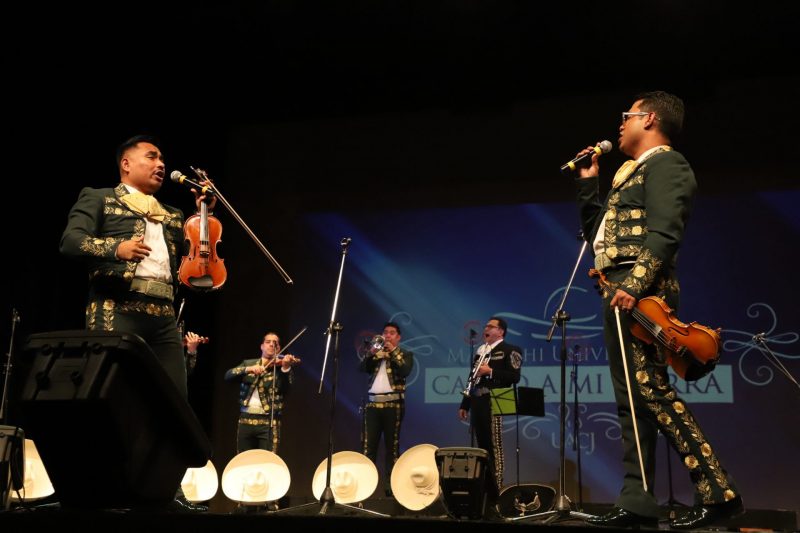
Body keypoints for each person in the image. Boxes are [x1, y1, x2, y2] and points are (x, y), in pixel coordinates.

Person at [573, 91, 742, 529]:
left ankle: (719, 493)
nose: (620, 123)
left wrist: (634, 284)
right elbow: (599, 239)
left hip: (644, 290)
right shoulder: (627, 174)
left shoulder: (667, 164)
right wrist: (589, 185)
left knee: (651, 391)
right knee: (631, 400)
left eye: (626, 115)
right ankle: (638, 500)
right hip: (618, 289)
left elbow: (666, 233)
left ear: (648, 119)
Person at [60, 134, 213, 511]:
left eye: (162, 158)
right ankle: (105, 487)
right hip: (117, 307)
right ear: (126, 164)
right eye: (152, 156)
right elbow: (70, 242)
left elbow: (195, 264)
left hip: (162, 317)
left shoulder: (172, 214)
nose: (161, 164)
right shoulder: (100, 198)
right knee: (114, 400)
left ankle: (165, 490)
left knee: (174, 402)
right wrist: (116, 248)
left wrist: (203, 213)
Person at [458, 317, 522, 501]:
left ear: (501, 331)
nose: (485, 329)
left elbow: (514, 377)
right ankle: (485, 486)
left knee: (494, 444)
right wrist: (465, 404)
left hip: (497, 398)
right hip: (478, 399)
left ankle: (498, 486)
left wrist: (491, 371)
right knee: (482, 445)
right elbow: (472, 378)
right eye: (486, 326)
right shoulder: (481, 351)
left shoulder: (511, 350)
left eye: (490, 326)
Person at [359, 322, 414, 497]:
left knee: (392, 447)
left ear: (398, 337)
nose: (387, 335)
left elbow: (405, 370)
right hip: (373, 405)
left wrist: (393, 352)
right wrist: (372, 354)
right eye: (385, 332)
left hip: (393, 405)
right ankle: (364, 488)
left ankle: (391, 489)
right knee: (368, 447)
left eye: (391, 333)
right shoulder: (376, 354)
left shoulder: (405, 353)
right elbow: (362, 368)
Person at [224, 332, 300, 453]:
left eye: (275, 343)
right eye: (268, 342)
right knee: (244, 458)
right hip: (245, 420)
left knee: (267, 460)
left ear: (279, 349)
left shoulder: (280, 369)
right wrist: (248, 369)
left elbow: (286, 389)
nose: (271, 344)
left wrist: (285, 368)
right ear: (262, 346)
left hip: (268, 422)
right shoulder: (248, 363)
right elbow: (228, 376)